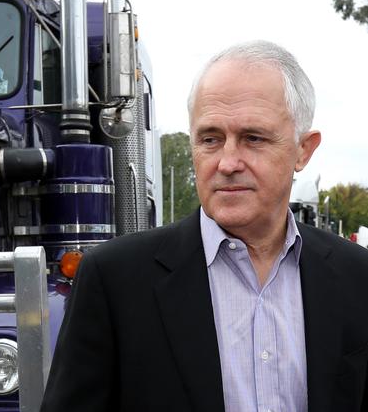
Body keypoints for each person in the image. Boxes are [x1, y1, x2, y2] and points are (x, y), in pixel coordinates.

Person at [40, 40, 368, 412]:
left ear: (303, 150)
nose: (227, 162)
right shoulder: (114, 279)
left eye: (253, 138)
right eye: (211, 139)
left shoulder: (357, 276)